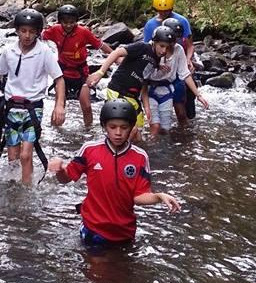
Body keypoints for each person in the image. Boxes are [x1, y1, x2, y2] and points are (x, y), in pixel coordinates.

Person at [47, 98, 181, 247]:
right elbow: (67, 178)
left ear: (131, 128)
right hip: (93, 227)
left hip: (125, 230)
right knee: (95, 261)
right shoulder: (90, 150)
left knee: (122, 262)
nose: (118, 133)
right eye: (113, 127)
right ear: (104, 126)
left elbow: (138, 197)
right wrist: (60, 169)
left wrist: (159, 196)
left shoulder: (140, 156)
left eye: (124, 128)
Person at [0, 8, 66, 184]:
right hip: (11, 107)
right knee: (12, 156)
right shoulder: (9, 51)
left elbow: (59, 79)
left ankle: (27, 189)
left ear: (38, 32)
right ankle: (14, 189)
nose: (27, 35)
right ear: (17, 31)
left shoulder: (44, 52)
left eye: (31, 31)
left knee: (26, 154)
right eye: (23, 31)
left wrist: (59, 106)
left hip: (32, 107)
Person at [86, 32, 171, 141]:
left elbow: (144, 82)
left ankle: (132, 150)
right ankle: (114, 148)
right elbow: (116, 53)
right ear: (154, 42)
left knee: (138, 136)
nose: (164, 51)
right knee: (129, 128)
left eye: (167, 48)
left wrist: (147, 107)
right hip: (118, 90)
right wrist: (101, 72)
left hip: (133, 97)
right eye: (161, 46)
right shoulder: (142, 47)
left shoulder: (156, 59)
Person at [42, 4, 113, 128]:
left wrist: (115, 55)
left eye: (72, 22)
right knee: (59, 106)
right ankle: (55, 130)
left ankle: (89, 131)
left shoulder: (83, 32)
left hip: (81, 74)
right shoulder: (55, 30)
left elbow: (99, 45)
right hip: (62, 74)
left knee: (86, 106)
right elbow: (39, 36)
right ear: (60, 21)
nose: (68, 25)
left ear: (76, 21)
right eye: (65, 22)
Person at [145, 25, 209, 136]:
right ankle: (153, 143)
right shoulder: (149, 48)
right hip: (151, 87)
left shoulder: (178, 49)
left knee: (172, 122)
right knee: (155, 125)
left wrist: (198, 95)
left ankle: (179, 140)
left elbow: (185, 73)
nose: (165, 49)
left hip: (169, 86)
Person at [143, 0, 194, 124]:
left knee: (182, 106)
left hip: (179, 61)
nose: (163, 13)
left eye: (166, 11)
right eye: (160, 11)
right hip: (159, 67)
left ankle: (186, 125)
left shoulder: (182, 21)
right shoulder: (150, 25)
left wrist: (188, 60)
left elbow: (190, 45)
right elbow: (147, 49)